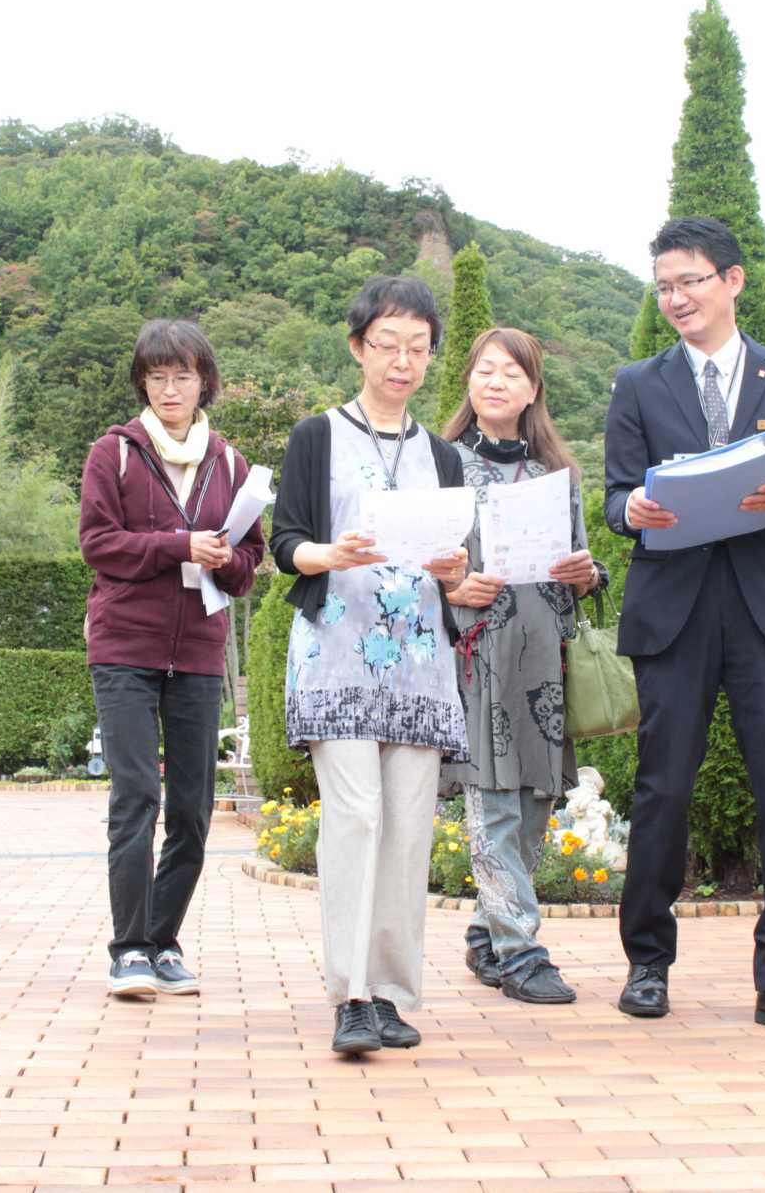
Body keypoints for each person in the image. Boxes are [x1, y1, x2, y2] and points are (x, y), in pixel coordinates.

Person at [602, 216, 765, 1037]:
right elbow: (614, 496)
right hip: (673, 608)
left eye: (691, 281)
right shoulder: (637, 383)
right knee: (663, 790)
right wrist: (629, 508)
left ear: (733, 281)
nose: (676, 298)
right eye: (664, 285)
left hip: (764, 609)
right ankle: (647, 963)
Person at [269, 275, 471, 1057]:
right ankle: (351, 993)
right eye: (387, 344)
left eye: (417, 348)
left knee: (410, 828)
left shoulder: (444, 455)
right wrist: (331, 551)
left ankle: (392, 993)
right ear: (358, 347)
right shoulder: (315, 437)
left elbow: (457, 571)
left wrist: (458, 573)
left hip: (420, 664)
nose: (402, 360)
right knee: (355, 818)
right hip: (338, 651)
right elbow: (287, 543)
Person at [79, 319, 266, 1000]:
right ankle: (127, 947)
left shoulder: (232, 463)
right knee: (137, 796)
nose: (169, 388)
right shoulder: (115, 453)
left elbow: (251, 557)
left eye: (181, 375)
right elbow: (99, 544)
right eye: (156, 376)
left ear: (203, 380)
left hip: (197, 652)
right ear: (142, 383)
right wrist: (179, 545)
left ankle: (163, 940)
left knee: (192, 807)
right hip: (125, 646)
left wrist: (226, 558)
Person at [440, 327, 607, 1005]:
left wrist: (586, 573)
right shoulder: (442, 466)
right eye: (485, 369)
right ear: (470, 384)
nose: (498, 380)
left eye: (513, 372)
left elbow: (584, 569)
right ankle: (519, 948)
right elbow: (418, 560)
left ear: (533, 389)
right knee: (494, 806)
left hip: (544, 658)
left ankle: (486, 932)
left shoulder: (553, 477)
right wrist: (455, 589)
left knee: (537, 800)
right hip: (477, 651)